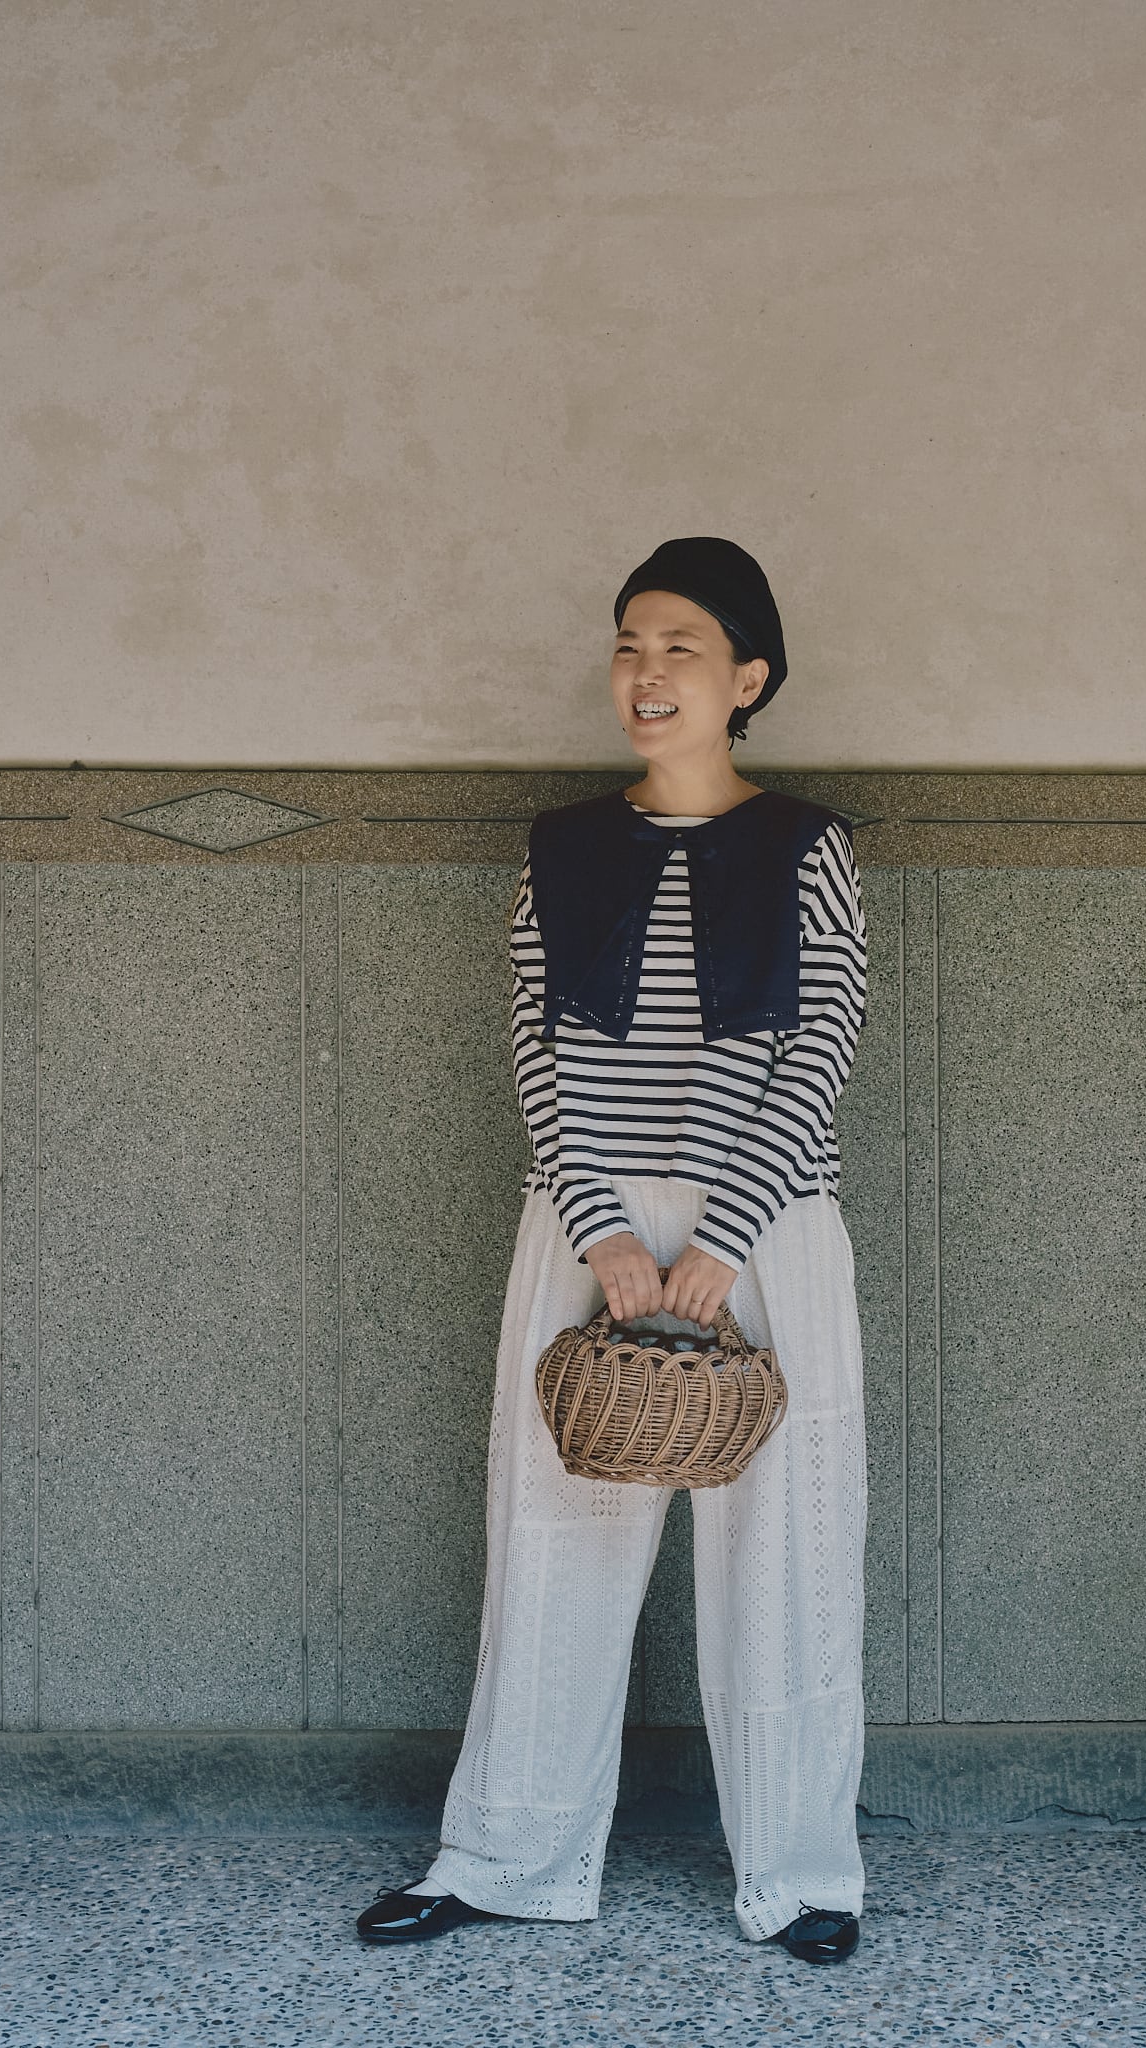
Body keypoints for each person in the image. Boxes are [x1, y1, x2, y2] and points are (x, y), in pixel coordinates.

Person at [356, 537, 870, 1964]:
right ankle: (505, 1857)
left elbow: (824, 1042)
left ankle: (803, 1875)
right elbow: (538, 1041)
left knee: (789, 1547)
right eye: (631, 644)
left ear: (747, 679)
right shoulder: (563, 847)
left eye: (681, 648)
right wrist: (599, 1225)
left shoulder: (809, 846)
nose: (647, 672)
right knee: (551, 1535)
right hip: (588, 1224)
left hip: (766, 1226)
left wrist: (725, 1234)